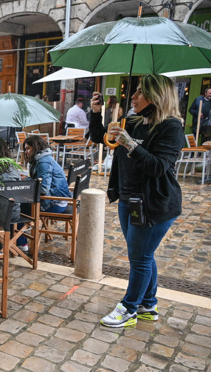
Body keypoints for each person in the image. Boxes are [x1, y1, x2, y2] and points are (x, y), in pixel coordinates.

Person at [89, 74, 183, 328]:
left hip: (154, 203)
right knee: (143, 255)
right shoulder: (133, 121)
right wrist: (96, 113)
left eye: (140, 92)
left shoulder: (171, 127)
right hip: (127, 198)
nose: (133, 96)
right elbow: (101, 138)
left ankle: (129, 308)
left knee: (139, 257)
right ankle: (148, 305)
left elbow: (158, 167)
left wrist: (129, 143)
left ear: (157, 97)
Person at [23, 135, 72, 213]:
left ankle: (23, 225)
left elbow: (43, 189)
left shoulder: (43, 162)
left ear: (36, 147)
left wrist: (25, 180)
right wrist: (27, 179)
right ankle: (26, 224)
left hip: (54, 204)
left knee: (18, 205)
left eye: (28, 149)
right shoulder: (44, 158)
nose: (26, 152)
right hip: (57, 199)